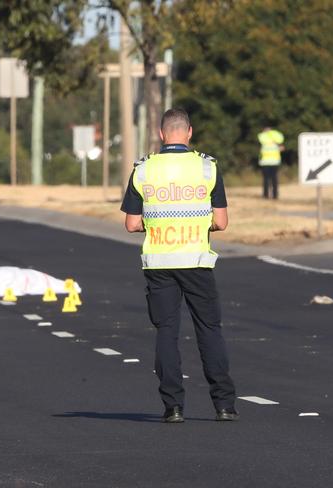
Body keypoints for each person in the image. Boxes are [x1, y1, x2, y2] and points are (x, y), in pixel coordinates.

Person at [121, 108, 238, 423]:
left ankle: (173, 406)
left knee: (166, 332)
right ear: (189, 132)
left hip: (159, 264)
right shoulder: (206, 168)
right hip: (197, 261)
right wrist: (198, 225)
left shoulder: (144, 171)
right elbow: (222, 222)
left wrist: (160, 223)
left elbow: (132, 224)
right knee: (209, 330)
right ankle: (224, 405)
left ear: (161, 134)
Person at [258, 127, 285, 199]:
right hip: (274, 162)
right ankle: (275, 195)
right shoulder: (276, 140)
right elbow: (282, 148)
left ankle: (265, 195)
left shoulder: (263, 140)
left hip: (265, 162)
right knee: (274, 179)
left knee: (266, 179)